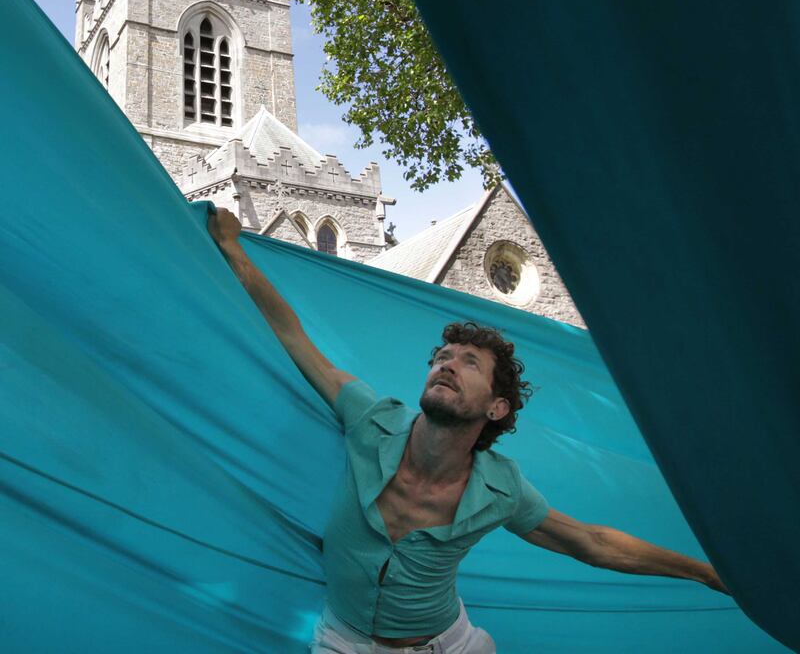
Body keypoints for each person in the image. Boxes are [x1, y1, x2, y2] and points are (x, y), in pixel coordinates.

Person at [208, 208, 729, 653]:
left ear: (497, 407)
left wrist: (704, 572)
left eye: (468, 363)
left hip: (448, 643)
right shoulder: (371, 420)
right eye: (440, 358)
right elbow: (292, 334)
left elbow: (591, 541)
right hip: (344, 642)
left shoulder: (500, 490)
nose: (445, 365)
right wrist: (233, 250)